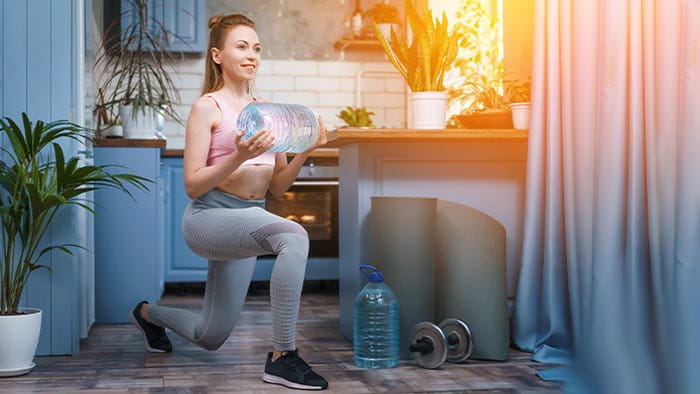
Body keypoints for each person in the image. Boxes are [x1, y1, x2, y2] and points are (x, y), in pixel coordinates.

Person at [129, 13, 329, 391]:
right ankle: (283, 356)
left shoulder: (269, 112)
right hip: (208, 218)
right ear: (218, 55)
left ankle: (146, 314)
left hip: (250, 218)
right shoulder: (207, 107)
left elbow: (278, 189)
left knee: (210, 335)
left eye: (256, 48)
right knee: (295, 236)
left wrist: (306, 150)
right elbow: (192, 185)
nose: (252, 55)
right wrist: (237, 155)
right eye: (242, 47)